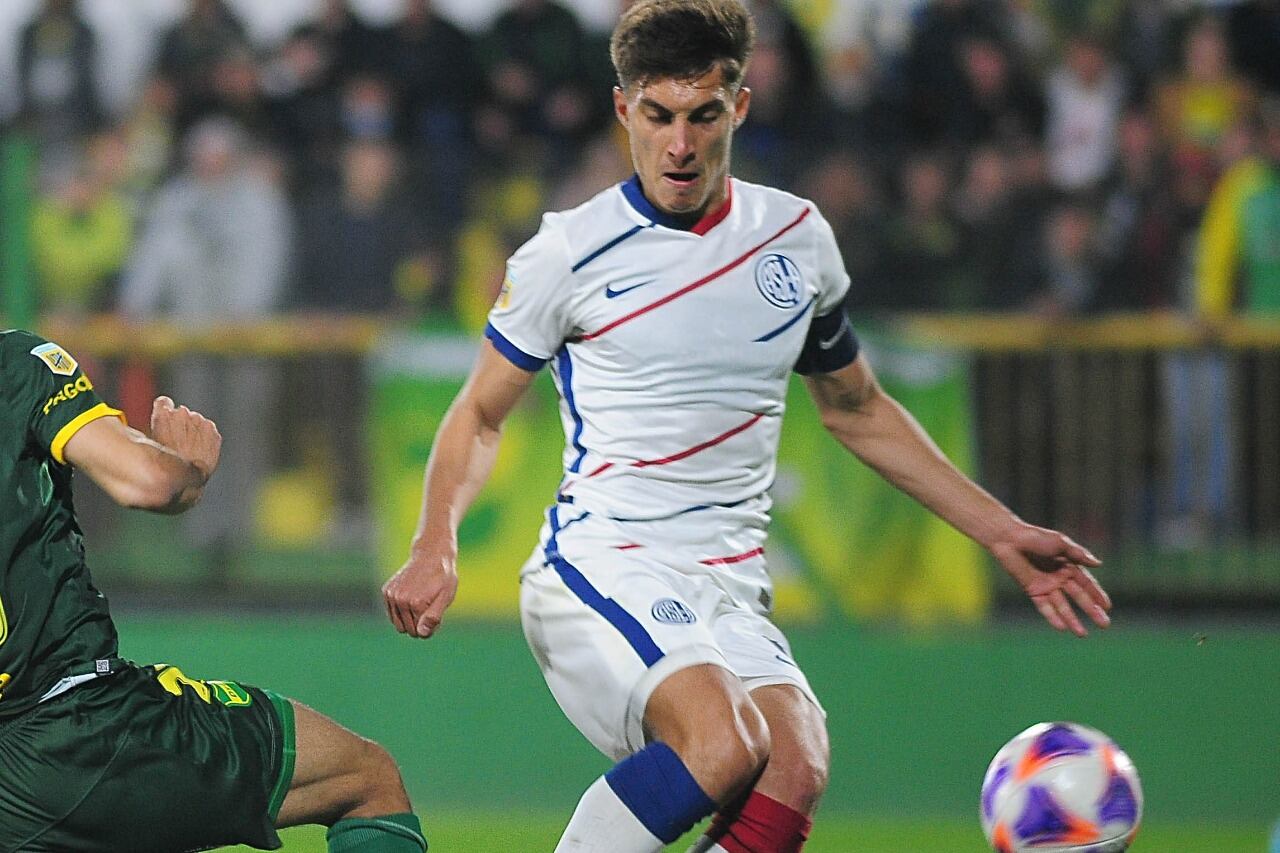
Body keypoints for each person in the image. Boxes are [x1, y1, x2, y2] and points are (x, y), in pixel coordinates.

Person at [382, 2, 1113, 852]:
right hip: (601, 562)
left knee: (794, 759)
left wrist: (1001, 529)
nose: (680, 145)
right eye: (657, 117)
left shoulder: (797, 241)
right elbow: (477, 413)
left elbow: (858, 407)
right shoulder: (567, 252)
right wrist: (437, 537)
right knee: (723, 742)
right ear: (625, 112)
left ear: (742, 106)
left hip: (727, 586)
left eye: (703, 115)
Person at [0, 329, 426, 853]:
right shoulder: (17, 367)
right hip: (74, 731)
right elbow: (146, 481)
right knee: (366, 780)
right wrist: (190, 467)